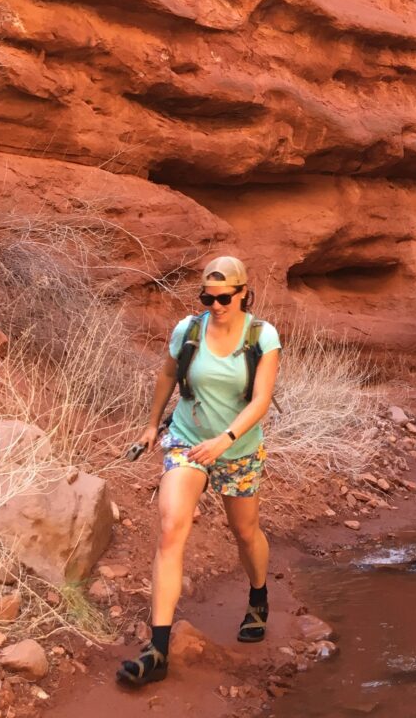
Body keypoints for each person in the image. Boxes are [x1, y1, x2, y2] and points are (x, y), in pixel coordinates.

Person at [116, 255, 282, 687]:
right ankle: (157, 649)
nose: (215, 305)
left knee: (245, 532)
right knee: (172, 527)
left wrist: (224, 441)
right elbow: (168, 372)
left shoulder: (262, 336)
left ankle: (258, 597)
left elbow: (261, 400)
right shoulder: (188, 329)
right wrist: (153, 424)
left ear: (244, 293)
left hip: (238, 450)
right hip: (187, 441)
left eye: (224, 297)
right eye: (207, 296)